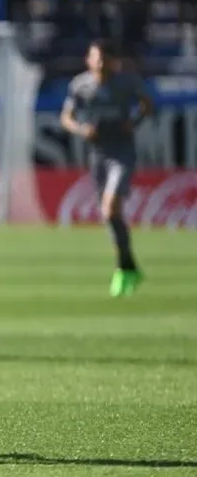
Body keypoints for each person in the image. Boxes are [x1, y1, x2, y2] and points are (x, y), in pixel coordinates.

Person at [60, 39, 153, 297]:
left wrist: (133, 122)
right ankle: (127, 266)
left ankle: (125, 268)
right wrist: (82, 129)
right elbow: (66, 117)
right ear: (88, 60)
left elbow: (147, 105)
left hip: (122, 153)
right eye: (96, 58)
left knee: (110, 207)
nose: (100, 64)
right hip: (97, 154)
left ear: (113, 61)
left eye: (104, 59)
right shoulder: (80, 86)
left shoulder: (126, 83)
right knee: (110, 215)